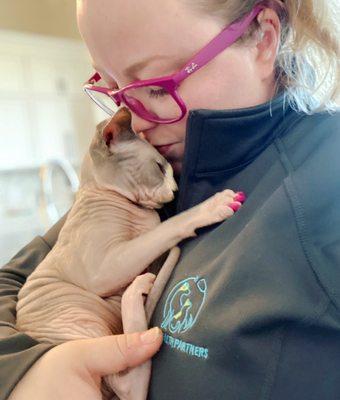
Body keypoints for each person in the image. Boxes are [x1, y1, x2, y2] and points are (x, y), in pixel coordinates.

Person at [1, 0, 340, 398]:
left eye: (158, 88)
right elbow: (14, 278)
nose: (138, 122)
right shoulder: (152, 171)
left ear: (263, 39)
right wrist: (28, 370)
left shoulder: (325, 179)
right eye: (114, 91)